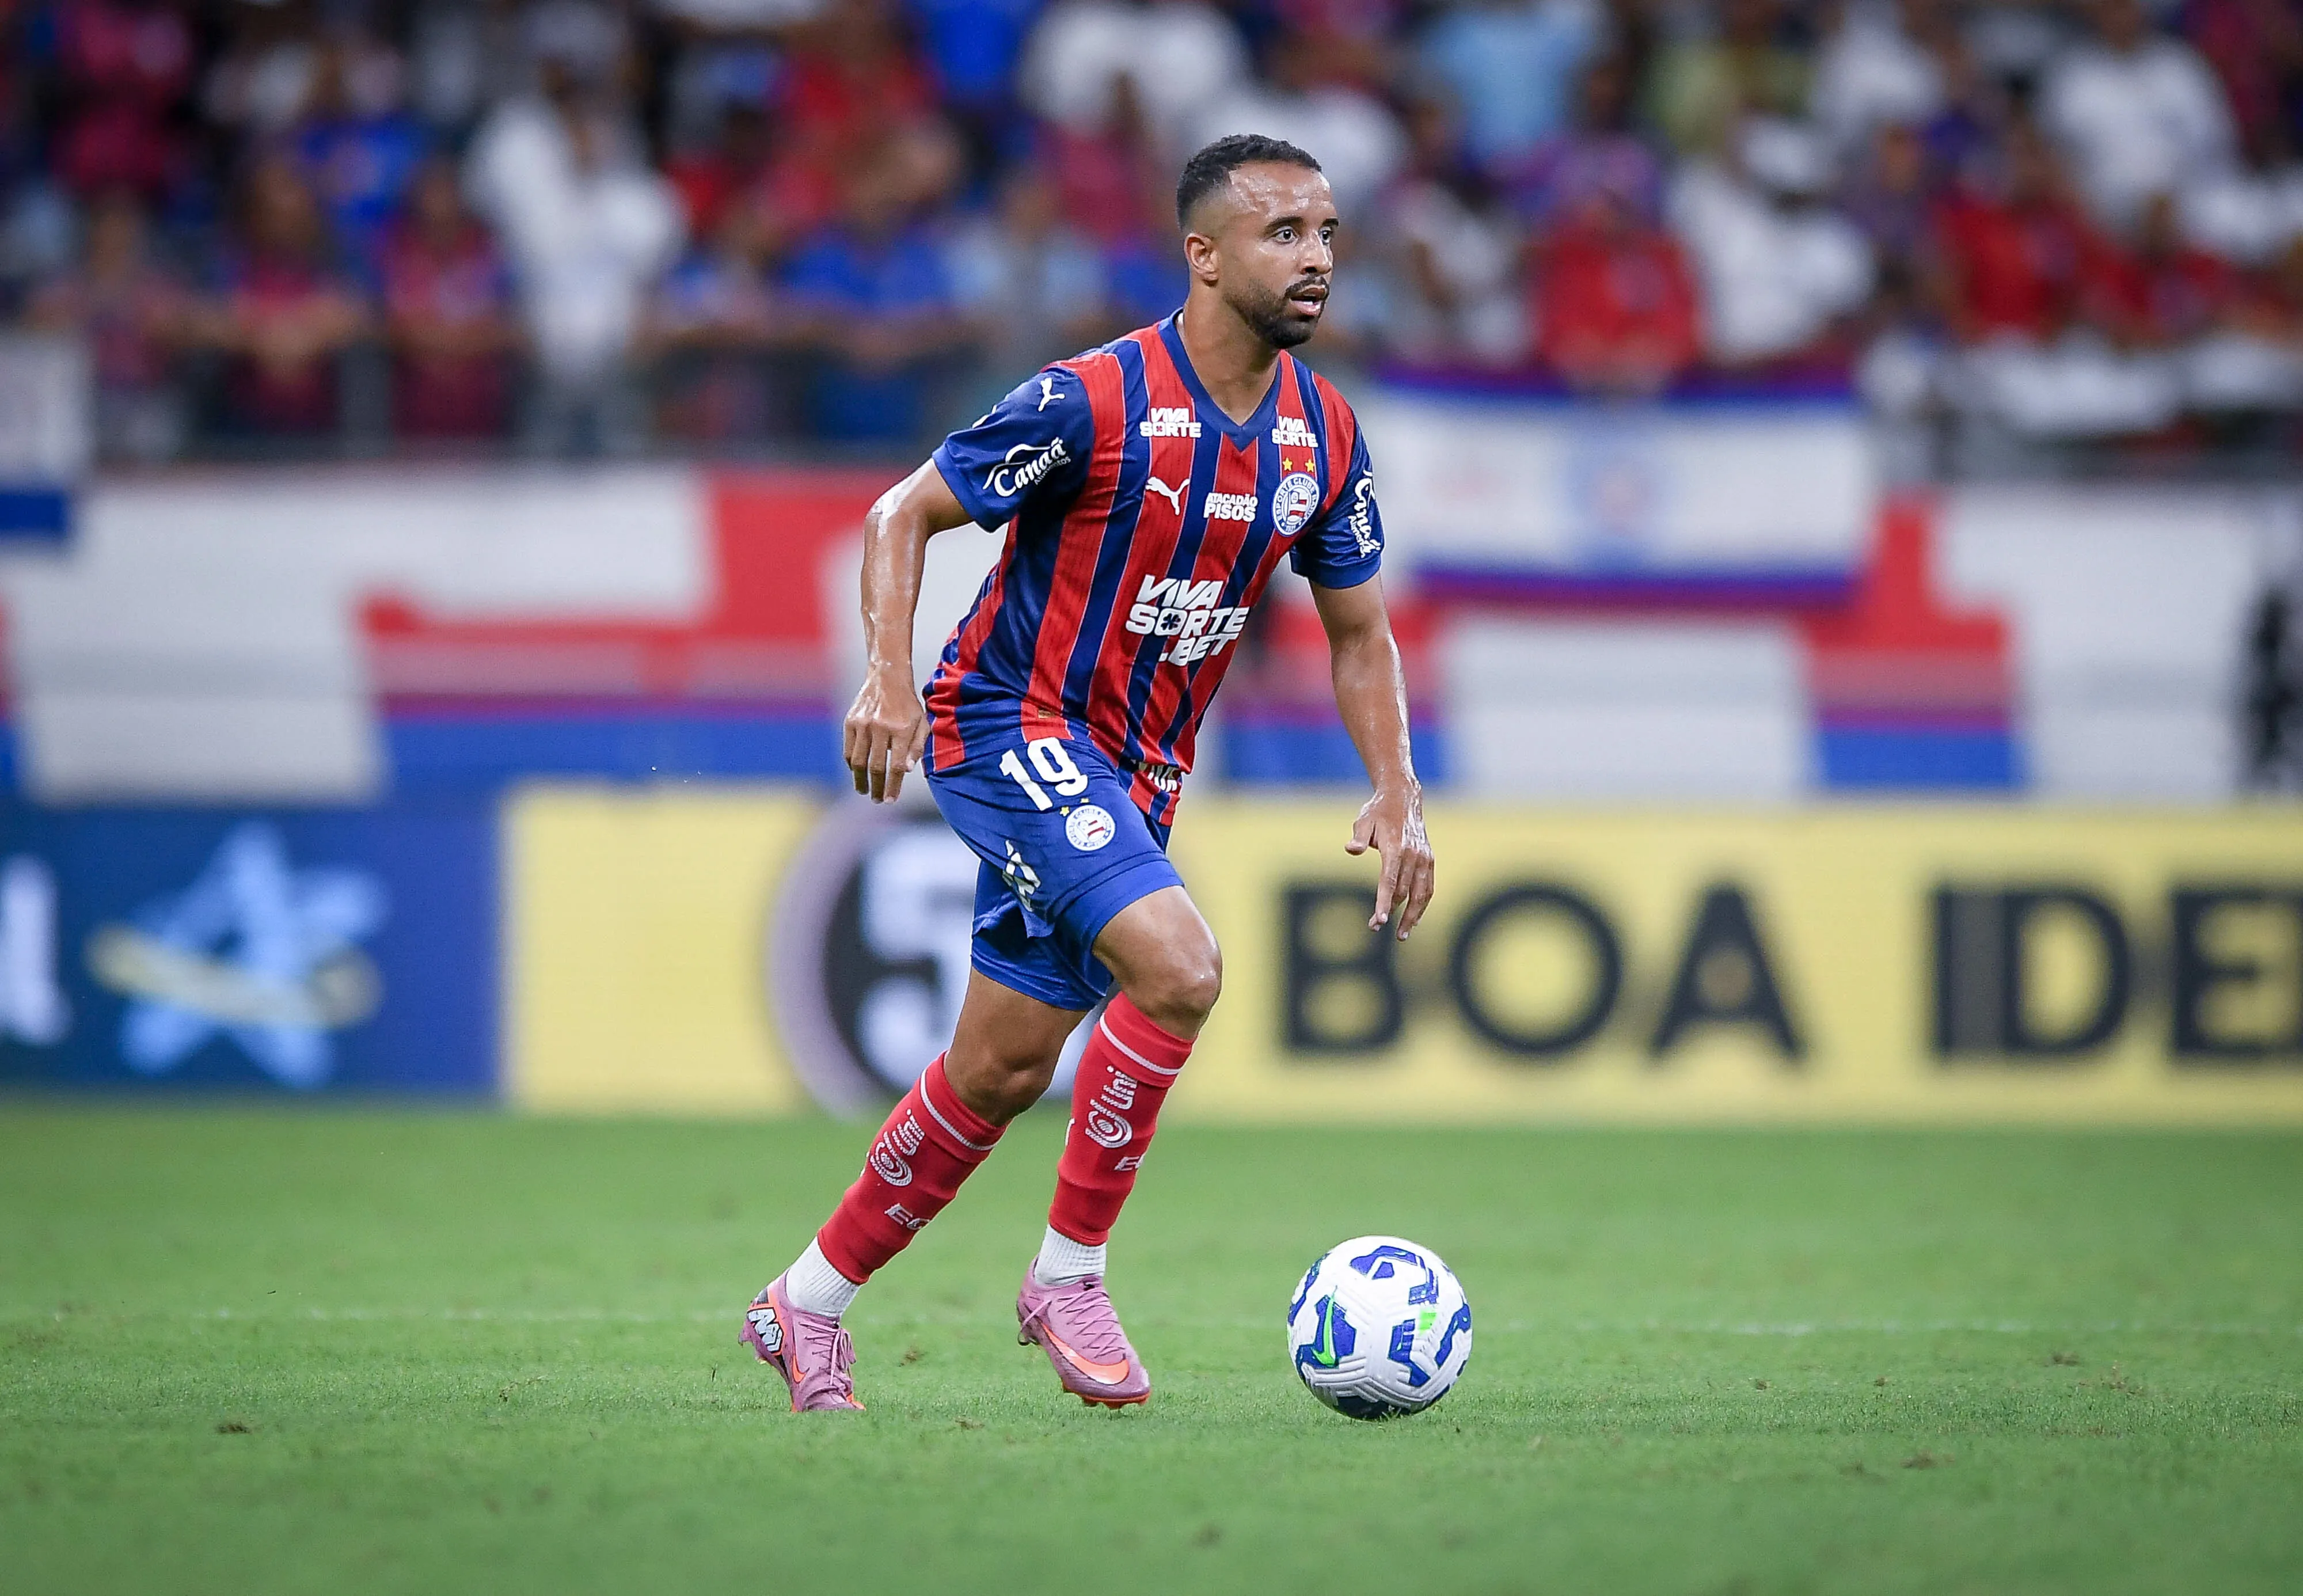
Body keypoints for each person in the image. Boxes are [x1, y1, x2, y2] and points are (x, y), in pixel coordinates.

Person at [740, 133, 1436, 1412]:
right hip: (1007, 724)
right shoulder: (1091, 400)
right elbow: (903, 513)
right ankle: (1069, 1273)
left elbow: (1359, 634)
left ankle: (805, 1303)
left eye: (1328, 232)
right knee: (1180, 968)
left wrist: (1395, 787)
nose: (1316, 258)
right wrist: (887, 673)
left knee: (997, 1074)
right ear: (1203, 254)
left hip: (1137, 773)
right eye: (1282, 233)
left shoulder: (1323, 435)